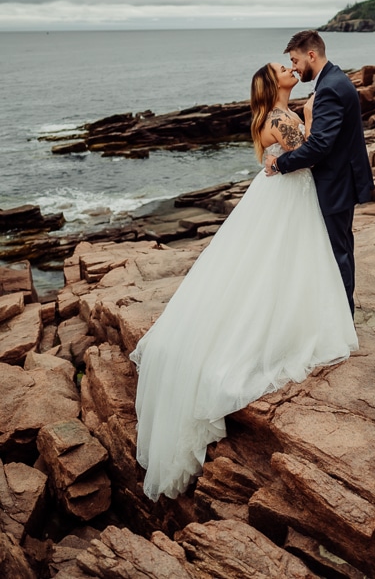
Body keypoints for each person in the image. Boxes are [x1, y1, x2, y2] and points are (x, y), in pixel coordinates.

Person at [130, 61, 357, 501]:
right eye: (282, 67)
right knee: (276, 266)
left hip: (282, 196)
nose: (290, 68)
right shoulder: (280, 118)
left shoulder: (273, 116)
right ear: (274, 84)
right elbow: (309, 151)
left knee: (272, 266)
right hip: (289, 199)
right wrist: (310, 118)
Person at [265, 30, 374, 316]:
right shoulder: (333, 80)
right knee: (339, 249)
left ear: (311, 55)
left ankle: (342, 320)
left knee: (336, 253)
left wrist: (279, 164)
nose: (295, 68)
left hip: (335, 183)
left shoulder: (329, 88)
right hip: (340, 180)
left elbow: (319, 146)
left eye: (295, 60)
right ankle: (339, 316)